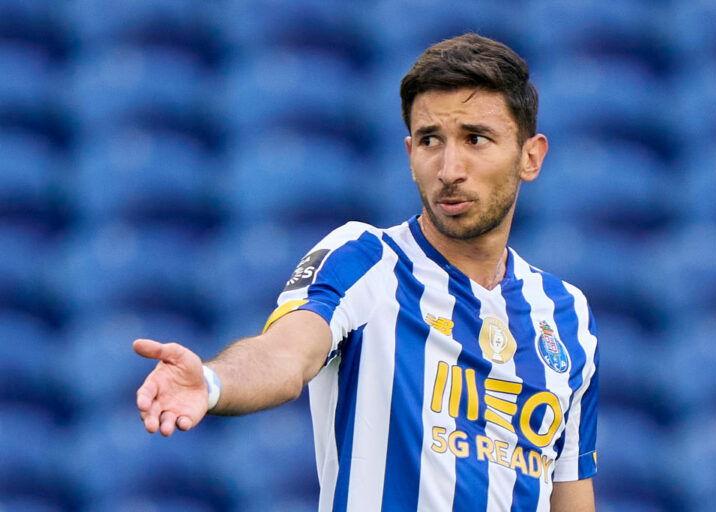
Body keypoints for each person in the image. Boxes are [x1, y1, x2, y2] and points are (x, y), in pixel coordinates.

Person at [134, 33, 599, 512]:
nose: (449, 168)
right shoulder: (366, 259)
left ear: (530, 156)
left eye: (475, 139)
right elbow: (285, 355)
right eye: (429, 141)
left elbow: (570, 496)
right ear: (409, 152)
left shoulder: (568, 317)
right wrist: (212, 382)